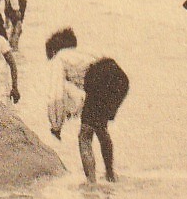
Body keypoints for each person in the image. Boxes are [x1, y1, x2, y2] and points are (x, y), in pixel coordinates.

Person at [46, 28, 129, 182]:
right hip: (120, 78)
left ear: (53, 50)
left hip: (99, 78)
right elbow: (83, 98)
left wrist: (56, 125)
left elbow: (55, 95)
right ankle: (110, 174)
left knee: (85, 135)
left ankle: (91, 183)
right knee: (100, 128)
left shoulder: (59, 58)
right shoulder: (82, 54)